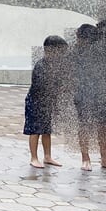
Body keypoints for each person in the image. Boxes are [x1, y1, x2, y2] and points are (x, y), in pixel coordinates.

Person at [73, 24, 106, 172]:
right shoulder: (76, 54)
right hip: (82, 94)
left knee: (103, 127)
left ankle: (105, 160)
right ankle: (85, 158)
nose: (79, 40)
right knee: (84, 126)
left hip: (100, 94)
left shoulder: (100, 53)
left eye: (81, 38)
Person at [24, 36, 68, 168]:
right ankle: (34, 157)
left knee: (46, 130)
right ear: (49, 51)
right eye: (59, 51)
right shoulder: (41, 65)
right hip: (36, 102)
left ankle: (48, 156)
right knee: (35, 130)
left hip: (47, 103)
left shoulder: (56, 66)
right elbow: (39, 87)